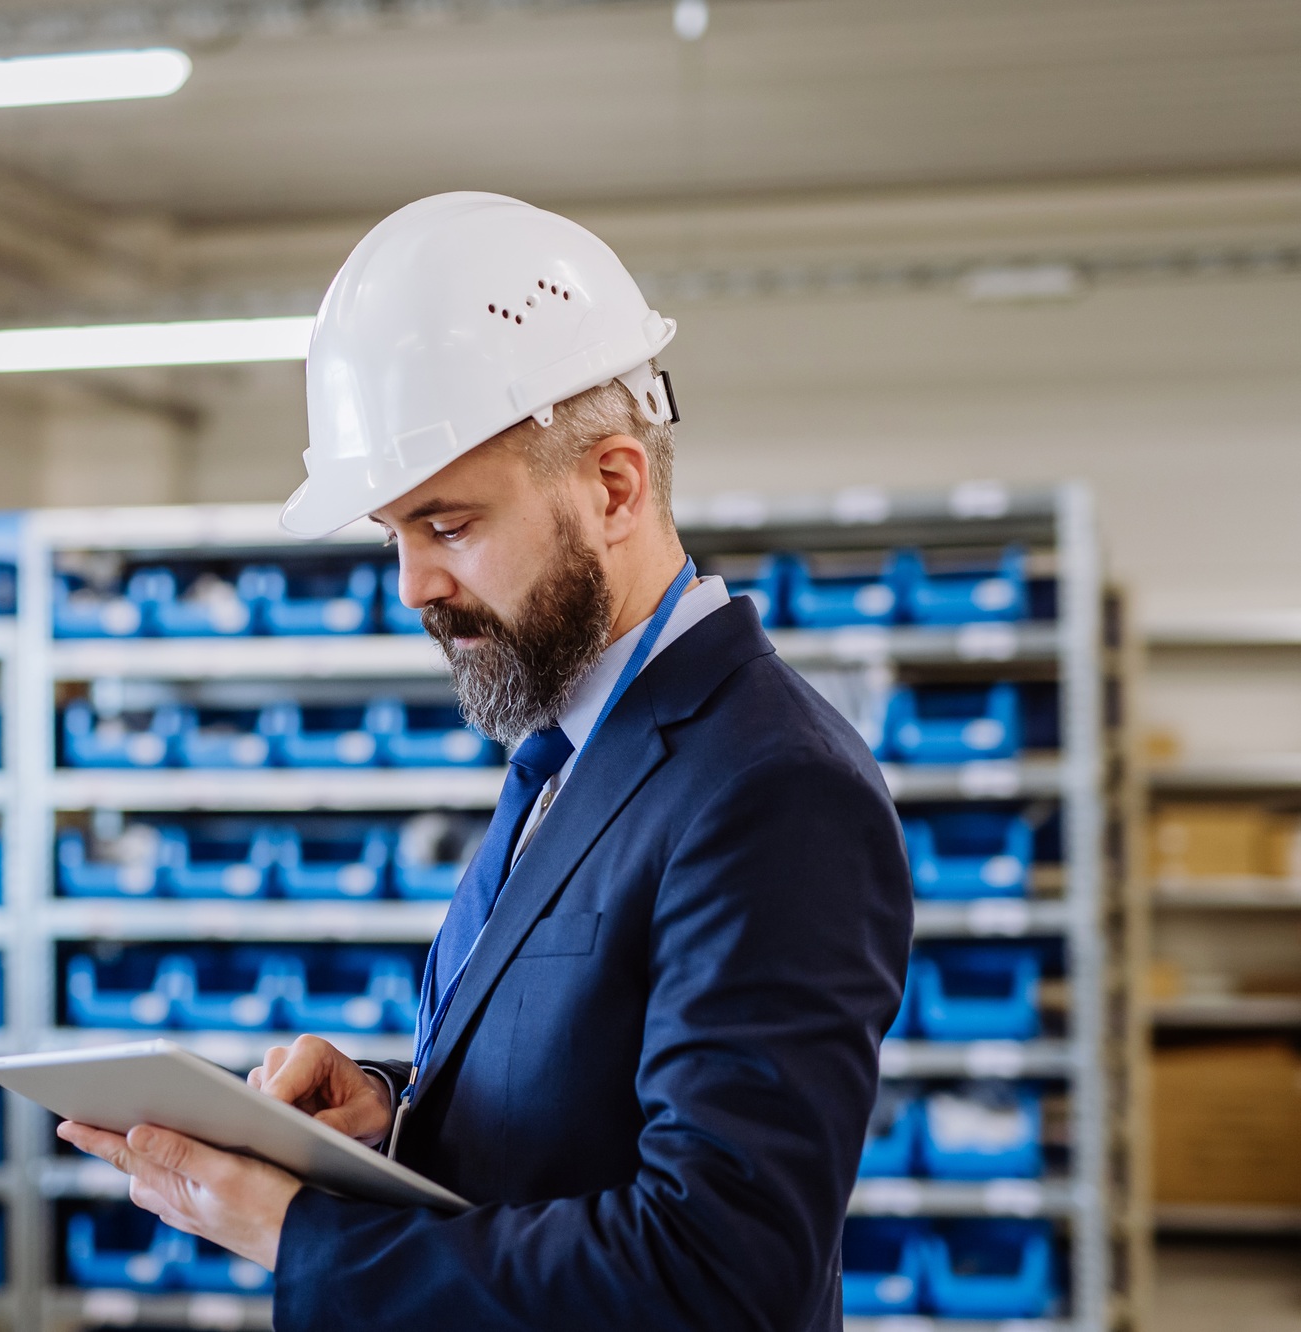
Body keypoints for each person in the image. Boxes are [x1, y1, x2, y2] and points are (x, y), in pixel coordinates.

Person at [59, 193, 914, 1331]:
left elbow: (718, 1274)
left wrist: (293, 1229)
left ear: (612, 487)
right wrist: (390, 1113)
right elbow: (575, 1110)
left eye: (448, 525)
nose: (411, 585)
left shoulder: (771, 789)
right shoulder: (565, 751)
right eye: (392, 536)